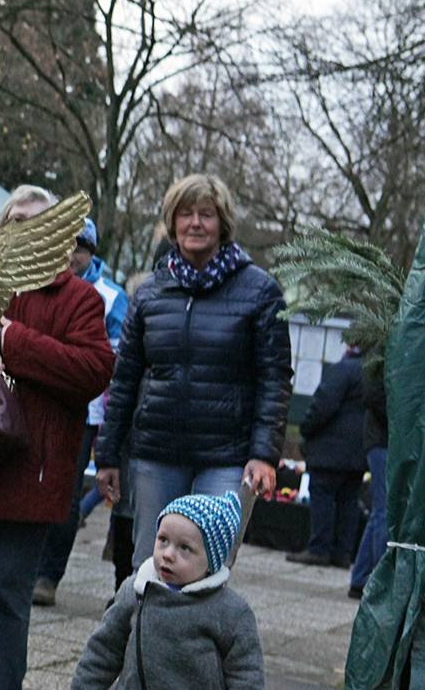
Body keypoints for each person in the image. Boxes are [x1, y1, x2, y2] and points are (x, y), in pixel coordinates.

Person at [0, 185, 115, 689]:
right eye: (15, 221)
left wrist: (11, 340)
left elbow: (95, 368)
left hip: (29, 471)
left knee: (6, 599)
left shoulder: (79, 298)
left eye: (37, 223)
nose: (25, 232)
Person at [95, 173, 293, 569]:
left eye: (206, 214)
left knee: (208, 568)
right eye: (185, 214)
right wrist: (108, 455)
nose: (196, 223)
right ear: (172, 223)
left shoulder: (260, 291)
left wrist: (263, 454)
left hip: (226, 457)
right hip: (156, 454)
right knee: (150, 567)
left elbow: (274, 377)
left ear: (223, 224)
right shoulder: (150, 292)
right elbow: (126, 377)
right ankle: (145, 633)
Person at [71, 492, 265, 689]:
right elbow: (103, 650)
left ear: (211, 562)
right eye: (163, 540)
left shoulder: (230, 611)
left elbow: (246, 673)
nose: (168, 554)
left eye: (184, 548)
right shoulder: (136, 591)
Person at [33, 217, 129, 606]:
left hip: (85, 409)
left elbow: (118, 353)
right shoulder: (37, 281)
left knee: (67, 492)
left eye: (79, 248)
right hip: (36, 398)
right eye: (65, 247)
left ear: (91, 252)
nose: (71, 256)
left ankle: (48, 575)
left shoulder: (109, 295)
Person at [287, 346, 368, 568]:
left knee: (322, 495)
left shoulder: (344, 368)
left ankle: (319, 549)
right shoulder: (372, 372)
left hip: (331, 449)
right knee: (348, 501)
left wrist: (306, 429)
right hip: (359, 450)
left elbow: (323, 403)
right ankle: (342, 553)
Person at [349, 369, 388, 598]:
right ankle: (377, 581)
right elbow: (374, 394)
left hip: (380, 439)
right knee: (384, 511)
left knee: (379, 512)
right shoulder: (385, 347)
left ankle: (362, 577)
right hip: (383, 440)